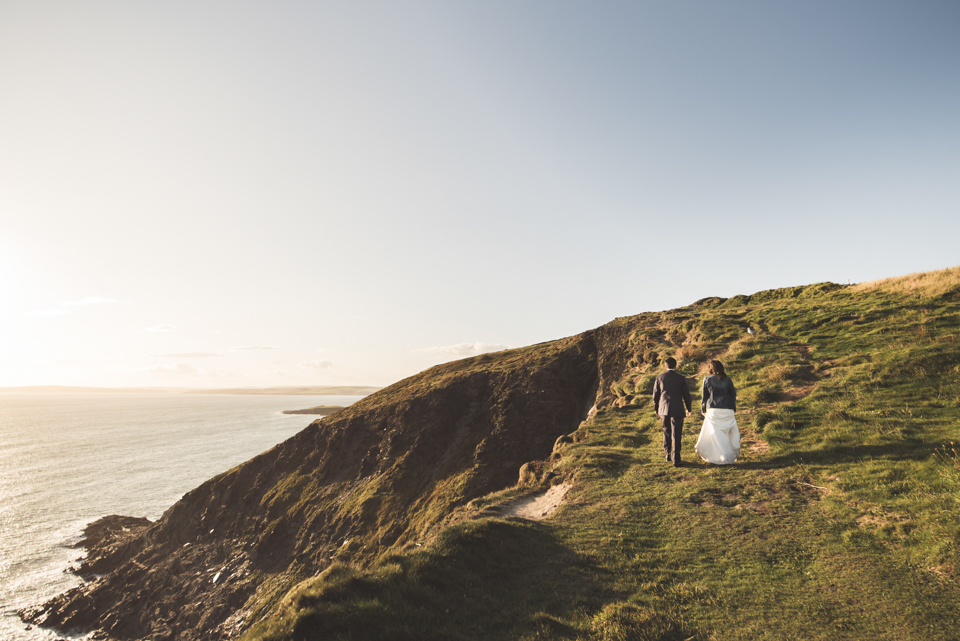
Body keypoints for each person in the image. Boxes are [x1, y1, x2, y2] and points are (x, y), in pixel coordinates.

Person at [695, 360, 740, 464]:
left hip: (713, 410)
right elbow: (733, 395)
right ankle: (729, 456)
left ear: (710, 369)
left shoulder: (707, 379)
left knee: (716, 436)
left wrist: (703, 409)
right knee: (727, 435)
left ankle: (721, 457)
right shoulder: (728, 379)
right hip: (728, 409)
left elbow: (704, 397)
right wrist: (733, 408)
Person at [652, 356, 692, 467]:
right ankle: (676, 459)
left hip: (663, 409)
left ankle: (667, 455)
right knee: (676, 433)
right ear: (676, 366)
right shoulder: (681, 378)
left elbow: (655, 395)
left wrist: (656, 408)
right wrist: (689, 409)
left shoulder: (659, 377)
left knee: (666, 431)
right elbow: (686, 395)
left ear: (665, 366)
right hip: (677, 408)